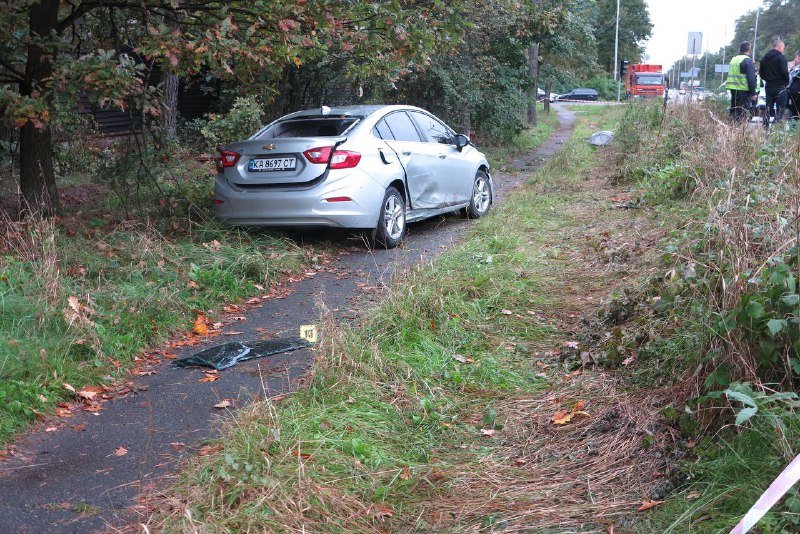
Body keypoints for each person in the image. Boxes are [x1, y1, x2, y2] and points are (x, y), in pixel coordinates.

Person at [759, 39, 790, 128]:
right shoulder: (781, 57)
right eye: (783, 48)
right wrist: (786, 82)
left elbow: (761, 74)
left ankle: (765, 127)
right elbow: (785, 72)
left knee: (768, 107)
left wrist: (768, 80)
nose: (783, 50)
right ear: (779, 47)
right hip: (780, 87)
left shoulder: (764, 58)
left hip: (769, 87)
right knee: (781, 109)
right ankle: (777, 127)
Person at [728, 41, 758, 123]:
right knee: (742, 114)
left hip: (733, 90)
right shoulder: (747, 60)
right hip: (743, 91)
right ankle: (739, 133)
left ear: (740, 49)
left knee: (734, 111)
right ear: (749, 50)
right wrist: (753, 93)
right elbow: (751, 79)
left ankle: (731, 131)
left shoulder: (733, 59)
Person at [787, 51, 800, 122]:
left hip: (797, 93)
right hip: (792, 93)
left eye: (797, 57)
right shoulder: (796, 67)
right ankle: (794, 129)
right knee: (793, 112)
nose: (795, 59)